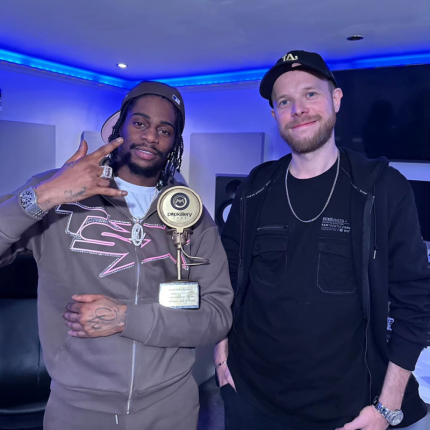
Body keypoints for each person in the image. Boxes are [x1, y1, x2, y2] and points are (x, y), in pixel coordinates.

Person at [215, 50, 430, 430]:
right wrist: (220, 358)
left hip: (347, 412)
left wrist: (388, 406)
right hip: (249, 400)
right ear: (275, 115)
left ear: (336, 99)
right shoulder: (255, 187)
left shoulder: (381, 188)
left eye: (310, 94)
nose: (298, 109)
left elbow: (415, 301)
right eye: (285, 101)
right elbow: (225, 280)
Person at [0, 81, 233, 430]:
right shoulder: (57, 193)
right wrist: (46, 194)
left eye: (164, 130)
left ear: (175, 143)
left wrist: (127, 319)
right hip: (76, 409)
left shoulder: (191, 214)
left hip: (170, 407)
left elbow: (217, 316)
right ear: (120, 126)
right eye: (139, 123)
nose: (150, 137)